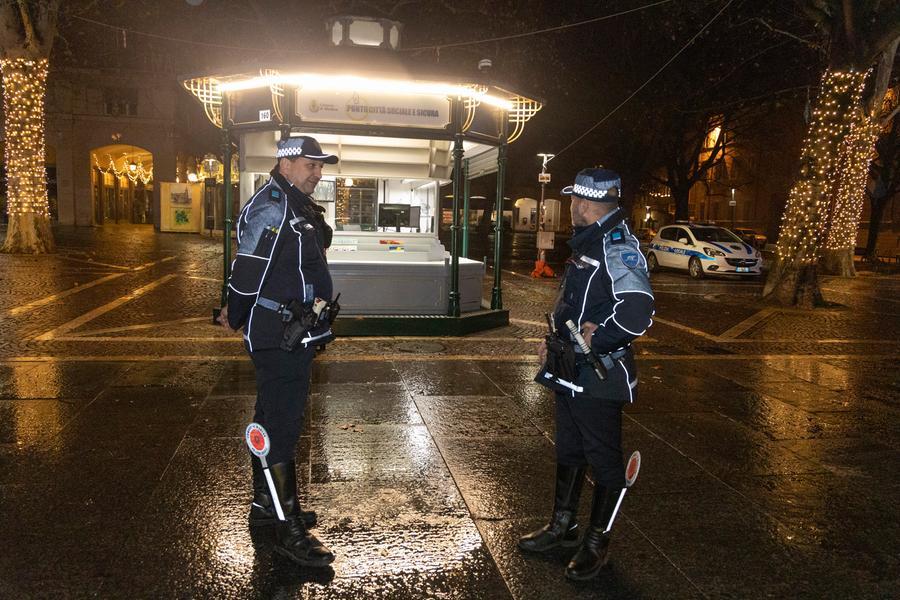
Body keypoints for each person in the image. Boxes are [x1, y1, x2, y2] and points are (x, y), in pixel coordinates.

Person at [519, 168, 654, 581]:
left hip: (599, 374)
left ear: (598, 204)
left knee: (604, 459)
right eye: (574, 200)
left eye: (581, 201)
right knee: (570, 448)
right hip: (569, 367)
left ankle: (596, 542)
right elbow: (574, 301)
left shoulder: (617, 246)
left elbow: (638, 309)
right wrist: (554, 338)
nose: (573, 207)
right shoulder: (588, 241)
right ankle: (563, 526)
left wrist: (600, 339)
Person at [217, 135, 339, 568]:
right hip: (277, 335)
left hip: (294, 331)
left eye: (321, 166)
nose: (318, 173)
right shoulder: (273, 205)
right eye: (311, 164)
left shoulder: (296, 204)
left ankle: (267, 505)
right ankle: (290, 531)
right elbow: (247, 272)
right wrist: (236, 316)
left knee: (271, 416)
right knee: (283, 426)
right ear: (286, 163)